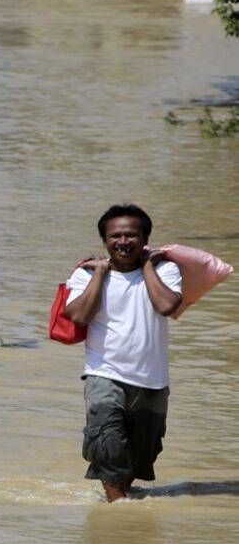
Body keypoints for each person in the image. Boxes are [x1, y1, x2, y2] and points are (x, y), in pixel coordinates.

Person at [64, 205, 183, 503]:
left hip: (153, 381)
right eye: (115, 235)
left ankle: (120, 499)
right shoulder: (85, 274)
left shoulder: (164, 270)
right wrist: (100, 274)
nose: (123, 241)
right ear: (105, 240)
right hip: (104, 375)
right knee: (107, 445)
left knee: (142, 456)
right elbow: (78, 316)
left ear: (145, 239)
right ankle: (119, 513)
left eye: (132, 235)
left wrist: (146, 268)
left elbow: (168, 306)